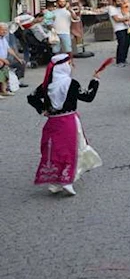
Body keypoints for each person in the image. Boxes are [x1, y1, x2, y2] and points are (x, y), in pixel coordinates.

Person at [27, 54, 104, 196]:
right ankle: (67, 180)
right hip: (69, 122)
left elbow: (31, 97)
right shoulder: (72, 84)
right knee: (72, 149)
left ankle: (55, 182)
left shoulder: (46, 85)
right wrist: (95, 80)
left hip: (52, 123)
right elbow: (88, 96)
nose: (72, 66)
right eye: (70, 64)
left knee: (54, 151)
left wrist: (43, 109)